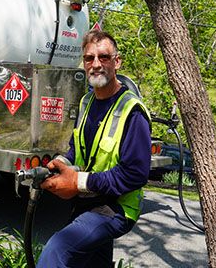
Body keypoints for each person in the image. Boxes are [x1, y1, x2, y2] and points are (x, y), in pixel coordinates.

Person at [37, 29, 152, 267]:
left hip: (116, 207)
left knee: (57, 250)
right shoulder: (86, 101)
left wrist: (77, 182)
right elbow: (76, 149)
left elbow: (135, 174)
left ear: (117, 62)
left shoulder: (133, 110)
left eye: (104, 57)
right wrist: (60, 165)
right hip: (87, 201)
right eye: (90, 58)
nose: (96, 64)